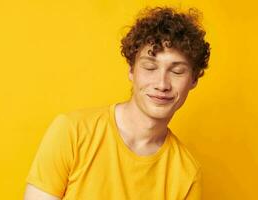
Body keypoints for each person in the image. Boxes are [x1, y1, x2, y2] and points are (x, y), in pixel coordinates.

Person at [24, 6, 210, 200]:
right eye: (149, 67)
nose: (162, 84)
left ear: (194, 79)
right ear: (131, 71)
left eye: (177, 71)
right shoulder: (72, 131)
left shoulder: (187, 174)